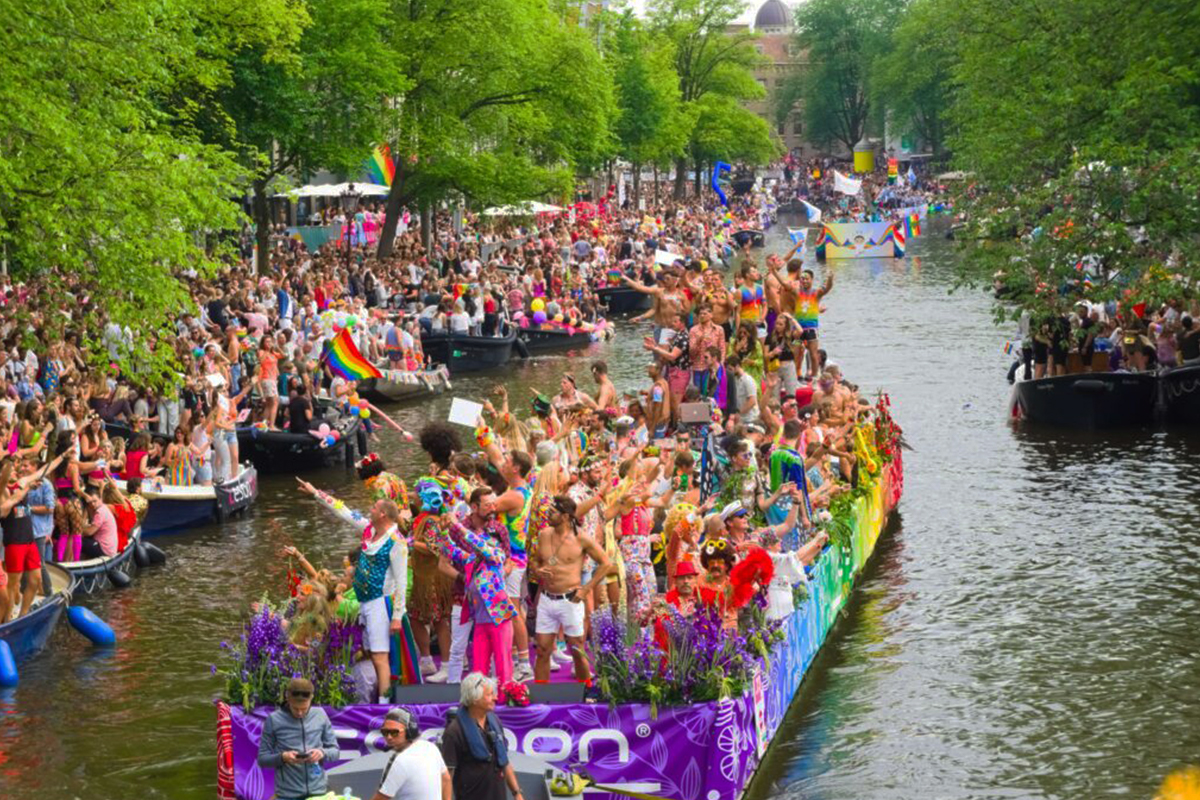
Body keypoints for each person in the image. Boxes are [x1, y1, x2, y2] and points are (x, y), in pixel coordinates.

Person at [530, 495, 612, 681]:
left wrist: (586, 588)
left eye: (552, 512)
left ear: (566, 516)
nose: (548, 515)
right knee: (542, 650)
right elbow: (535, 560)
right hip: (546, 599)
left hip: (571, 600)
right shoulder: (544, 534)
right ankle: (540, 700)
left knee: (577, 650)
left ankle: (585, 692)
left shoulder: (581, 538)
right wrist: (538, 570)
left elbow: (606, 563)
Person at [441, 673, 525, 800]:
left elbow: (504, 760)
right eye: (490, 694)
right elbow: (447, 776)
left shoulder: (494, 720)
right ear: (474, 698)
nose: (495, 698)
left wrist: (517, 793)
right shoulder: (454, 732)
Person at [256, 677, 340, 800]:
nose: (300, 713)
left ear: (311, 699)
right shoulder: (274, 720)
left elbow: (335, 752)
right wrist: (282, 757)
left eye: (304, 709)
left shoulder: (320, 715)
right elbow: (262, 759)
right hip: (287, 795)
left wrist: (322, 753)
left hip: (319, 792)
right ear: (288, 699)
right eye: (295, 708)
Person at [371, 707, 451, 800]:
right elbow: (446, 780)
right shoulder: (430, 747)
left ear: (409, 732)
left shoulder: (398, 761)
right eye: (385, 732)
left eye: (394, 732)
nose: (389, 737)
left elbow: (381, 798)